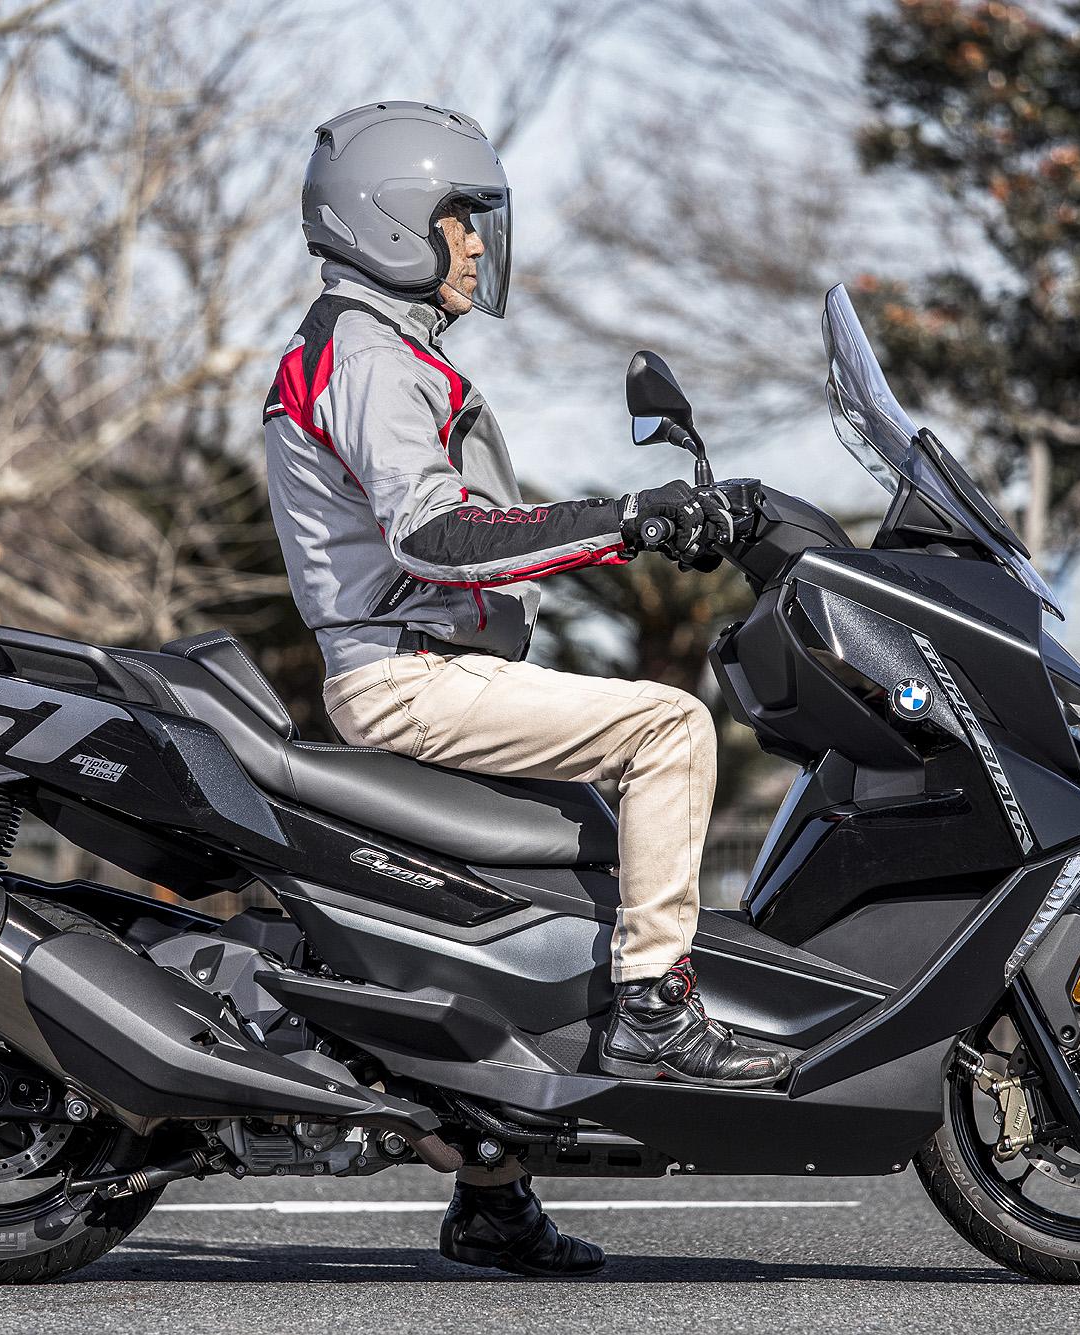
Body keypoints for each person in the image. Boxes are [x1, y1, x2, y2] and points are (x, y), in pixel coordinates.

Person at [263, 101, 789, 1277]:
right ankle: (654, 1011)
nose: (474, 244)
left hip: (427, 666)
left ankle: (492, 1197)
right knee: (668, 727)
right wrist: (627, 520)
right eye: (457, 219)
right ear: (390, 219)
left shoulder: (367, 349)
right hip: (408, 674)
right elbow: (438, 536)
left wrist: (628, 524)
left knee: (564, 884)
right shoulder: (366, 356)